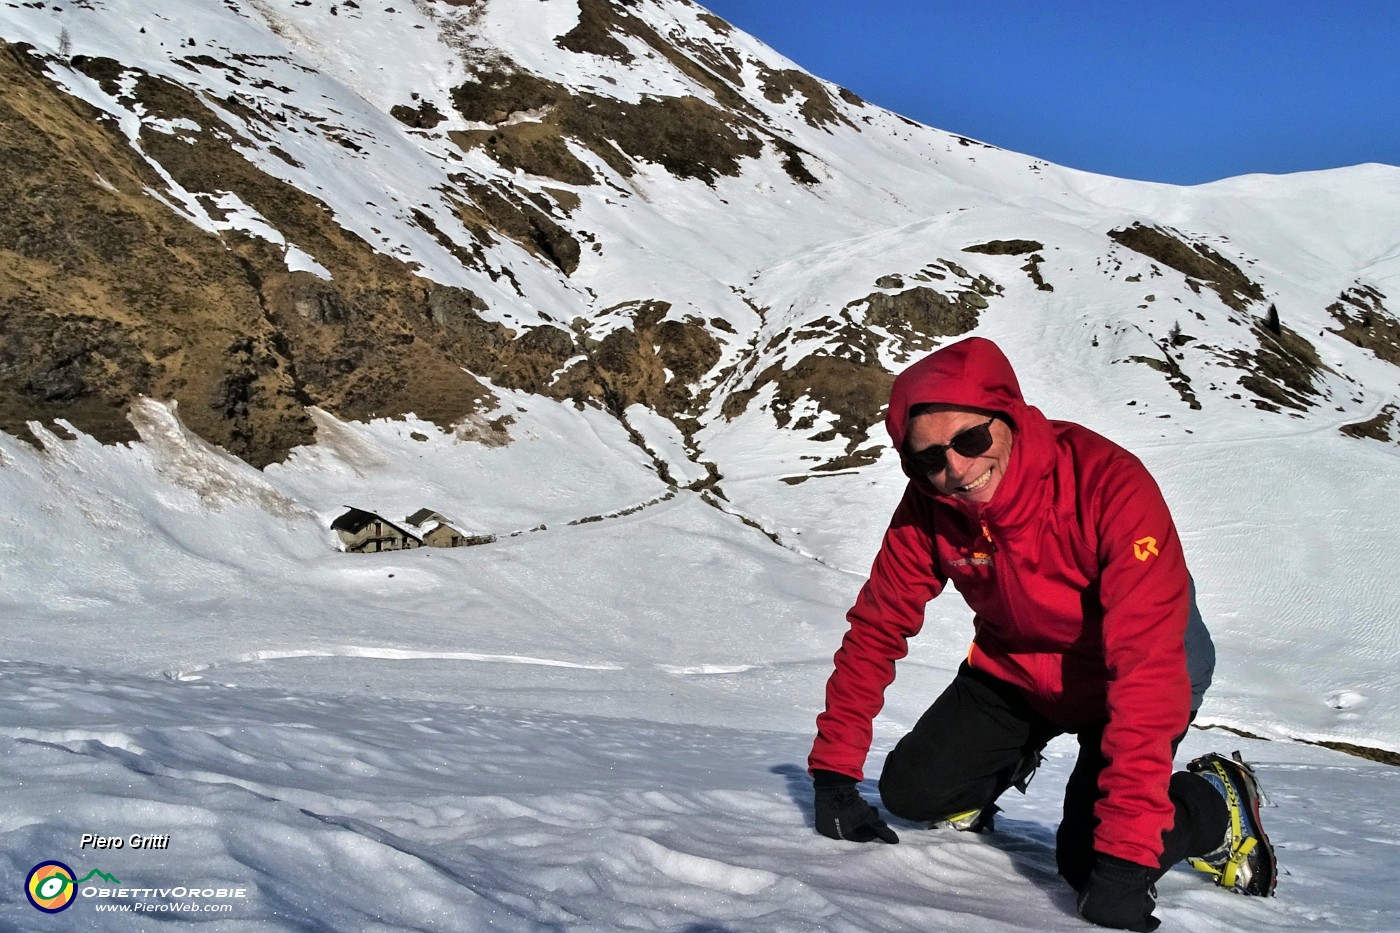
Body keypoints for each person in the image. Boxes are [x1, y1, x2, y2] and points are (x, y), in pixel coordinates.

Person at [808, 337, 1275, 931]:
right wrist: (834, 775)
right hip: (1015, 671)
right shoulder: (930, 504)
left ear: (1010, 417)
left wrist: (1128, 862)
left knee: (1091, 866)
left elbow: (1147, 667)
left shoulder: (1108, 485)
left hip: (1130, 677)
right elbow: (878, 626)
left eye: (971, 440)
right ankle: (997, 763)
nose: (955, 469)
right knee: (911, 794)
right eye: (929, 458)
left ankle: (1215, 805)